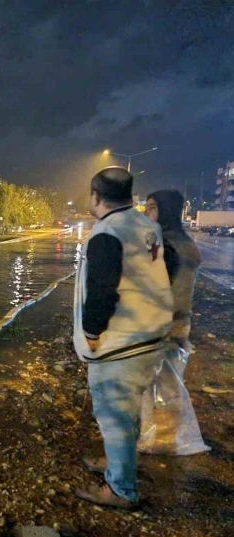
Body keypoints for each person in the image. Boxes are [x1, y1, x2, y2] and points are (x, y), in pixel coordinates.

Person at [73, 167, 173, 509]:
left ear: (95, 196)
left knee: (114, 413)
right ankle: (117, 461)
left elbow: (101, 292)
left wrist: (90, 334)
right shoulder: (148, 226)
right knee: (125, 412)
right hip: (151, 337)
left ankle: (121, 490)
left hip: (121, 344)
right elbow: (167, 268)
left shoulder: (107, 232)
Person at [144, 190, 201, 348]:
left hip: (162, 331)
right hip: (172, 327)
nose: (145, 213)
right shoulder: (177, 240)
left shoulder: (168, 246)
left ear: (166, 210)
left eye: (152, 208)